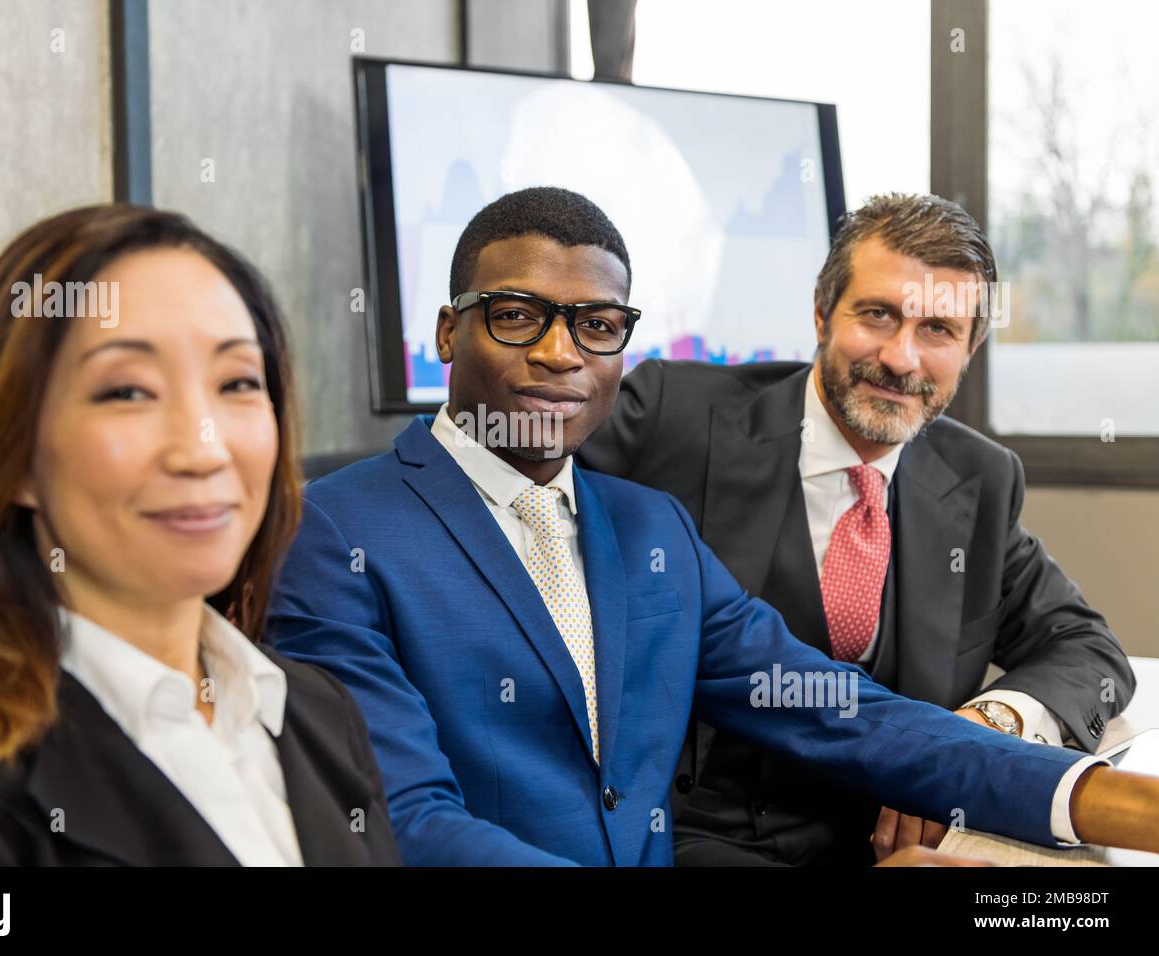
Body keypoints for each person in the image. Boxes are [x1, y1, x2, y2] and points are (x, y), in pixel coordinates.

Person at [267, 186, 1159, 866]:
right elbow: (406, 820)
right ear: (446, 332)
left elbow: (843, 712)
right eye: (516, 316)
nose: (559, 353)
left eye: (596, 326)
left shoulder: (649, 530)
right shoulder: (333, 533)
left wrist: (1128, 809)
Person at [578, 192, 1135, 865]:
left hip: (880, 850)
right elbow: (511, 501)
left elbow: (1086, 647)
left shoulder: (979, 480)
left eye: (938, 329)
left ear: (971, 348)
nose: (901, 358)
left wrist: (984, 725)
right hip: (678, 840)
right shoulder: (672, 416)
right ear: (821, 310)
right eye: (878, 315)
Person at [0, 205, 399, 866]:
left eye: (237, 382)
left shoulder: (318, 713)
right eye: (128, 393)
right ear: (15, 456)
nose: (203, 451)